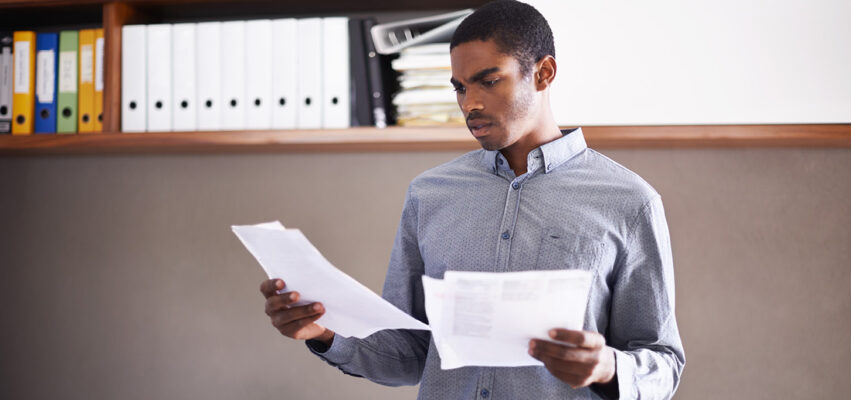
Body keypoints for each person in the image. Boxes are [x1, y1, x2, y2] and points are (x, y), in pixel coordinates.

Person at [259, 0, 685, 398]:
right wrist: (323, 334)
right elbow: (410, 356)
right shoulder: (430, 194)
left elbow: (662, 363)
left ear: (543, 73)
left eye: (488, 80)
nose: (471, 104)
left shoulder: (629, 202)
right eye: (460, 88)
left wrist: (606, 366)